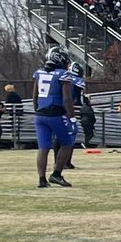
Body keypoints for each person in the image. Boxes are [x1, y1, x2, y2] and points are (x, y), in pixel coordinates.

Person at [33, 47, 77, 187]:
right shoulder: (63, 74)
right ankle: (56, 174)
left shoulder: (39, 73)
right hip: (55, 114)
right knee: (67, 143)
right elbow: (67, 99)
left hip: (40, 114)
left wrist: (38, 111)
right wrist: (72, 118)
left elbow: (34, 97)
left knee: (43, 147)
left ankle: (41, 180)